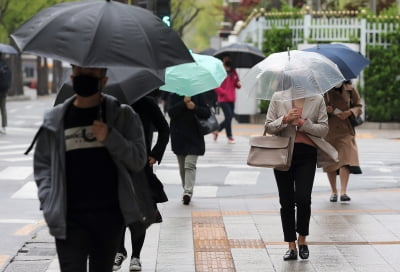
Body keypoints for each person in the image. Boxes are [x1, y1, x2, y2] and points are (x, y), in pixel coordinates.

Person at [29, 65, 155, 272]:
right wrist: (48, 199)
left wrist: (111, 137)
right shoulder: (56, 118)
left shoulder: (124, 116)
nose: (83, 78)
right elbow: (43, 164)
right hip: (68, 217)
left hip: (109, 217)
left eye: (90, 75)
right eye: (79, 74)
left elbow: (138, 160)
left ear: (103, 81)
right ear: (72, 76)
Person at [265, 93, 338, 261]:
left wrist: (302, 123)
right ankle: (291, 245)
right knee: (286, 201)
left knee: (304, 198)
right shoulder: (278, 97)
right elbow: (268, 126)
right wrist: (284, 119)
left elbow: (324, 129)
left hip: (307, 154)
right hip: (282, 152)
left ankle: (302, 239)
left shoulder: (317, 99)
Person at [113, 93, 170, 271]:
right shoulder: (110, 103)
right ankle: (119, 250)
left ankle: (136, 256)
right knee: (117, 210)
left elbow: (164, 129)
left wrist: (155, 153)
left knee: (139, 210)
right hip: (116, 165)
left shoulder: (147, 103)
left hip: (140, 165)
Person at [167, 93, 210, 205]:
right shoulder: (174, 94)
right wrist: (183, 103)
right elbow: (170, 112)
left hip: (194, 137)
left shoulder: (198, 94)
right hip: (178, 136)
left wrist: (194, 107)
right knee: (182, 168)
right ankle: (186, 190)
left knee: (189, 165)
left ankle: (187, 192)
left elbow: (207, 113)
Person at [323, 80, 363, 202]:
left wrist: (350, 112)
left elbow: (358, 106)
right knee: (330, 162)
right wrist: (326, 110)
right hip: (329, 130)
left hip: (346, 130)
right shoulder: (324, 89)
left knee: (345, 160)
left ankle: (343, 192)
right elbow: (316, 109)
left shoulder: (349, 88)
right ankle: (334, 191)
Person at [213, 55, 241, 144]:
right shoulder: (220, 71)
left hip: (232, 98)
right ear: (223, 60)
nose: (227, 59)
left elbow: (236, 83)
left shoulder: (234, 71)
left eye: (229, 58)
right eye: (226, 58)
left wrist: (238, 85)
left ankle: (219, 131)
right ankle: (229, 136)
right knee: (229, 117)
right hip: (223, 99)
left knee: (229, 118)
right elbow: (216, 85)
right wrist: (223, 92)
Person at [0, 54, 11, 134]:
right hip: (4, 89)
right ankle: (4, 126)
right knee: (3, 108)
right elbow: (10, 76)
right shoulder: (5, 64)